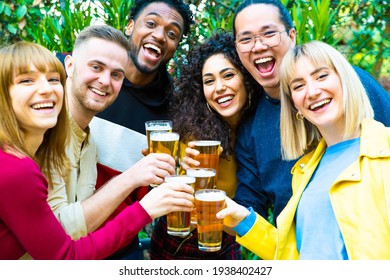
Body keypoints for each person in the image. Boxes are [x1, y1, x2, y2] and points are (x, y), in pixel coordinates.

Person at [0, 41, 194, 260]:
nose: (45, 89)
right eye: (26, 81)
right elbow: (65, 254)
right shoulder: (15, 165)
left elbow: (66, 242)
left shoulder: (85, 143)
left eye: (53, 79)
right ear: (70, 67)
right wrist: (143, 206)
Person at [217, 41, 390, 260]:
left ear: (346, 80)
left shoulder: (385, 150)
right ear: (295, 106)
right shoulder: (304, 171)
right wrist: (243, 220)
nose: (312, 91)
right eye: (298, 86)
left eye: (321, 76)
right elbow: (299, 257)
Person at [232, 0, 390, 226]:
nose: (258, 46)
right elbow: (249, 209)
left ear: (292, 35)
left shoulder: (348, 85)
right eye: (246, 39)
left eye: (269, 33)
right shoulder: (251, 127)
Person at [47, 24, 185, 260]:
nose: (105, 81)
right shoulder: (45, 129)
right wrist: (134, 182)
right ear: (69, 65)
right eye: (96, 67)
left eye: (116, 75)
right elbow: (58, 235)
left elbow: (79, 232)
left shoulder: (88, 141)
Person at [149, 31, 262, 259]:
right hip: (172, 241)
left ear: (246, 77)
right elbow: (163, 191)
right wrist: (180, 169)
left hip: (224, 243)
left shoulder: (261, 129)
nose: (218, 87)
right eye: (209, 81)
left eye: (228, 75)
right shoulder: (194, 132)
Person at [90, 0, 194, 172]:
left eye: (172, 34)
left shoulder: (176, 109)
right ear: (130, 27)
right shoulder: (88, 77)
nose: (160, 36)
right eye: (151, 23)